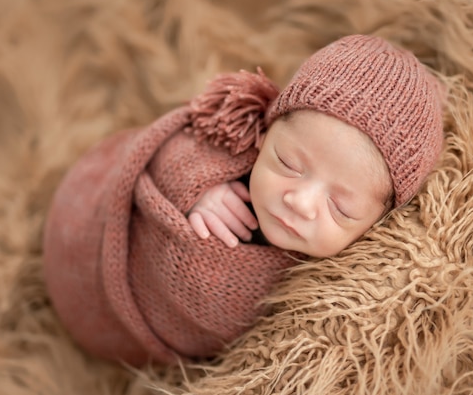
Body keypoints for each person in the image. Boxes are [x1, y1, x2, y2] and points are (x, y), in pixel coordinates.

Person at [42, 34, 445, 367]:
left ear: (377, 222)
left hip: (129, 344)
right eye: (288, 162)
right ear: (266, 130)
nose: (300, 202)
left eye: (342, 208)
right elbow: (182, 143)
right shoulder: (233, 144)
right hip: (86, 239)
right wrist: (197, 186)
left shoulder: (335, 296)